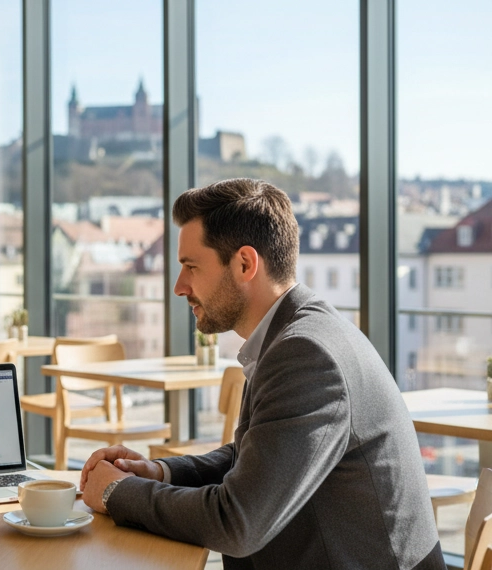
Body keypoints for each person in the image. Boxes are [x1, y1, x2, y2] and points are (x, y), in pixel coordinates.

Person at [80, 179, 444, 569]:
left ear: (245, 264)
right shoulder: (296, 334)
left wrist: (118, 491)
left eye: (190, 267)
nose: (179, 287)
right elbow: (256, 453)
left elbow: (236, 521)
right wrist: (161, 472)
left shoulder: (307, 354)